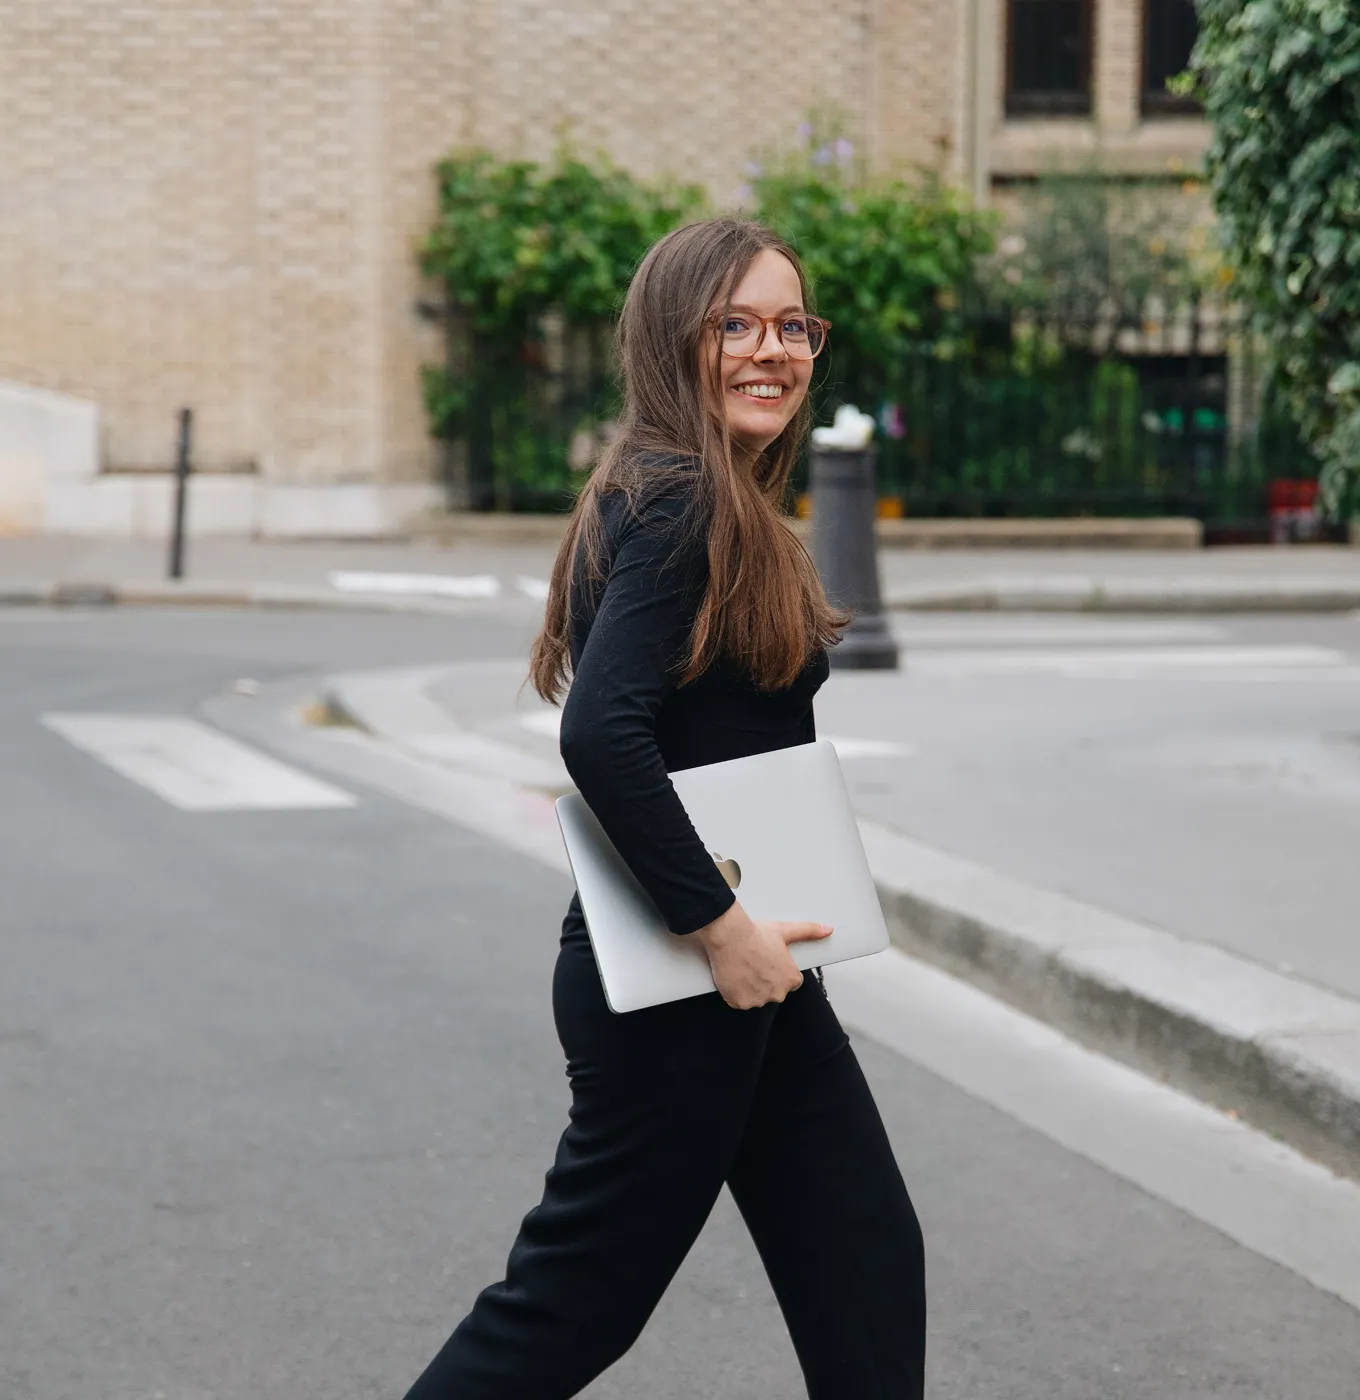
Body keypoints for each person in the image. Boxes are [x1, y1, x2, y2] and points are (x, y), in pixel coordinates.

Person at [402, 218, 926, 1399]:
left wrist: (746, 940)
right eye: (734, 323)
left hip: (757, 978)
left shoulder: (699, 498)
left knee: (866, 1267)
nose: (772, 349)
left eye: (793, 325)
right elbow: (598, 732)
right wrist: (719, 926)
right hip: (684, 980)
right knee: (568, 1306)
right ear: (669, 341)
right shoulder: (682, 497)